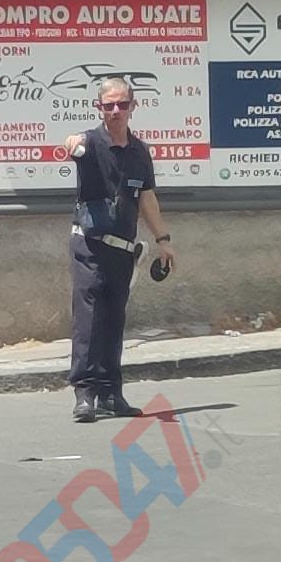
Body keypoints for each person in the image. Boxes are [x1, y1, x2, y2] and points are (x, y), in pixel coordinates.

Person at [62, 77, 176, 423]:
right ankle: (85, 393)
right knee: (89, 318)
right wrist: (72, 145)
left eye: (121, 104)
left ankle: (111, 392)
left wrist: (163, 240)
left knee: (114, 318)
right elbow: (71, 143)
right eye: (109, 105)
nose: (115, 111)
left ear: (132, 107)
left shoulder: (139, 152)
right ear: (99, 107)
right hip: (90, 244)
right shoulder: (90, 143)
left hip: (123, 249)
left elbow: (147, 198)